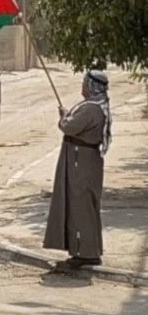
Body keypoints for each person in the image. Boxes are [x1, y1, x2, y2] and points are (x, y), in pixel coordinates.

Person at [43, 69, 112, 267]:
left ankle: (86, 253)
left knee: (80, 205)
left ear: (90, 86)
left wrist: (64, 116)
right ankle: (84, 250)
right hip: (85, 160)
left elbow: (69, 127)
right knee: (83, 205)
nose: (82, 87)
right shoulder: (97, 105)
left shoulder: (91, 109)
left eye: (84, 84)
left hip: (81, 161)